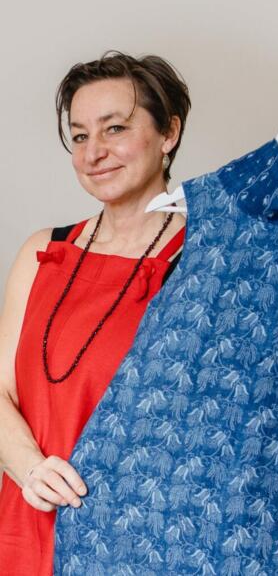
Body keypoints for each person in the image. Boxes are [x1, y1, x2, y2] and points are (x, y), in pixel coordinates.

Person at [0, 49, 191, 575]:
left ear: (168, 133)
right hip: (25, 527)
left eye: (115, 129)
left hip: (139, 546)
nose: (94, 153)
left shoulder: (203, 263)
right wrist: (29, 467)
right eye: (80, 135)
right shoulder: (44, 252)